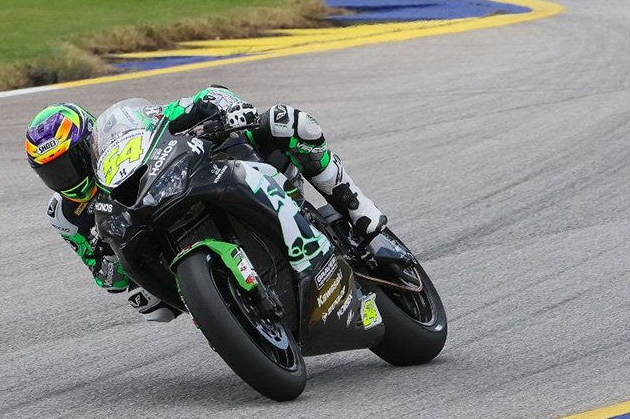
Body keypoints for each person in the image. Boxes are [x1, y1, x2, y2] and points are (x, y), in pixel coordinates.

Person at [26, 87, 387, 322]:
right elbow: (102, 274)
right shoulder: (64, 216)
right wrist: (107, 264)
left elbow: (194, 102)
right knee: (149, 305)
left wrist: (226, 108)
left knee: (287, 122)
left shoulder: (125, 128)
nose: (65, 178)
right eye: (52, 173)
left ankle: (356, 205)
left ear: (88, 143)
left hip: (198, 176)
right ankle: (223, 307)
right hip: (150, 238)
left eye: (68, 164)